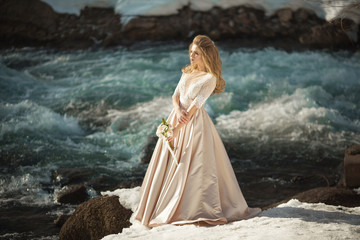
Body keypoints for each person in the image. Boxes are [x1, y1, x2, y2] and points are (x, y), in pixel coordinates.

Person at [134, 35, 261, 227]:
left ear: (206, 56)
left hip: (194, 125)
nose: (192, 56)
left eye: (196, 53)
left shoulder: (210, 78)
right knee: (167, 162)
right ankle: (160, 204)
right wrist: (177, 111)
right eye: (191, 52)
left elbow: (196, 105)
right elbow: (175, 95)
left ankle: (189, 208)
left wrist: (177, 128)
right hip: (177, 116)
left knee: (193, 167)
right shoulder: (187, 71)